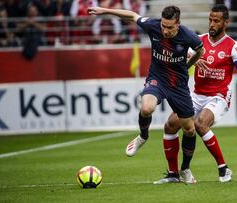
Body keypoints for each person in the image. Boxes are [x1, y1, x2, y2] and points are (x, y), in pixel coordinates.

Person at [87, 5, 204, 181]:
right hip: (157, 78)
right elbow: (133, 15)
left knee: (189, 129)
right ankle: (143, 136)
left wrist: (189, 64)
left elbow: (200, 51)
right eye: (164, 25)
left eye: (170, 27)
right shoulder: (153, 25)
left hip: (178, 84)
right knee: (147, 108)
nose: (165, 30)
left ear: (178, 24)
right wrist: (105, 10)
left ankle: (185, 169)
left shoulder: (188, 36)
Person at [155, 4, 237, 184]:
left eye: (216, 21)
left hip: (218, 96)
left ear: (226, 23)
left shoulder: (233, 47)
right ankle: (174, 174)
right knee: (170, 125)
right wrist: (192, 58)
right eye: (210, 20)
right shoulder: (198, 41)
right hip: (196, 95)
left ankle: (223, 168)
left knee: (200, 123)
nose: (212, 24)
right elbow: (179, 55)